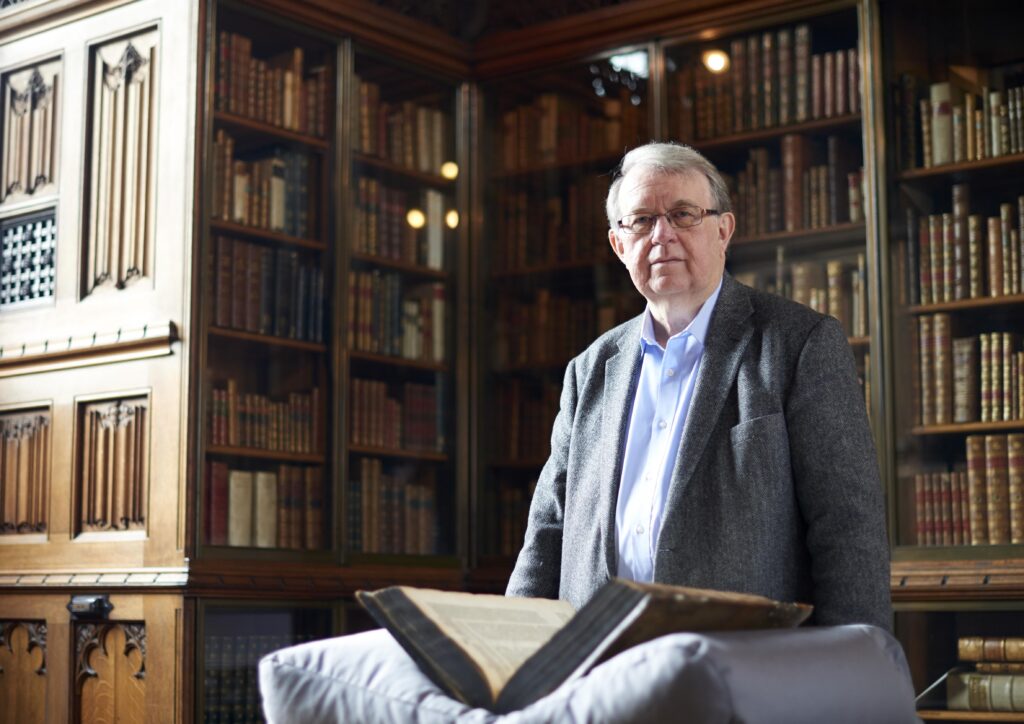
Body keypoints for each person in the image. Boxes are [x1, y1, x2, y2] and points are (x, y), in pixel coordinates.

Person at [506, 141, 891, 630]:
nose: (662, 234)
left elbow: (847, 527)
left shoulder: (800, 343)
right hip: (598, 673)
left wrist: (850, 675)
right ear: (618, 245)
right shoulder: (589, 370)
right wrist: (511, 652)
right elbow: (547, 532)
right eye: (641, 220)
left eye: (684, 215)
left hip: (740, 670)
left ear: (723, 230)